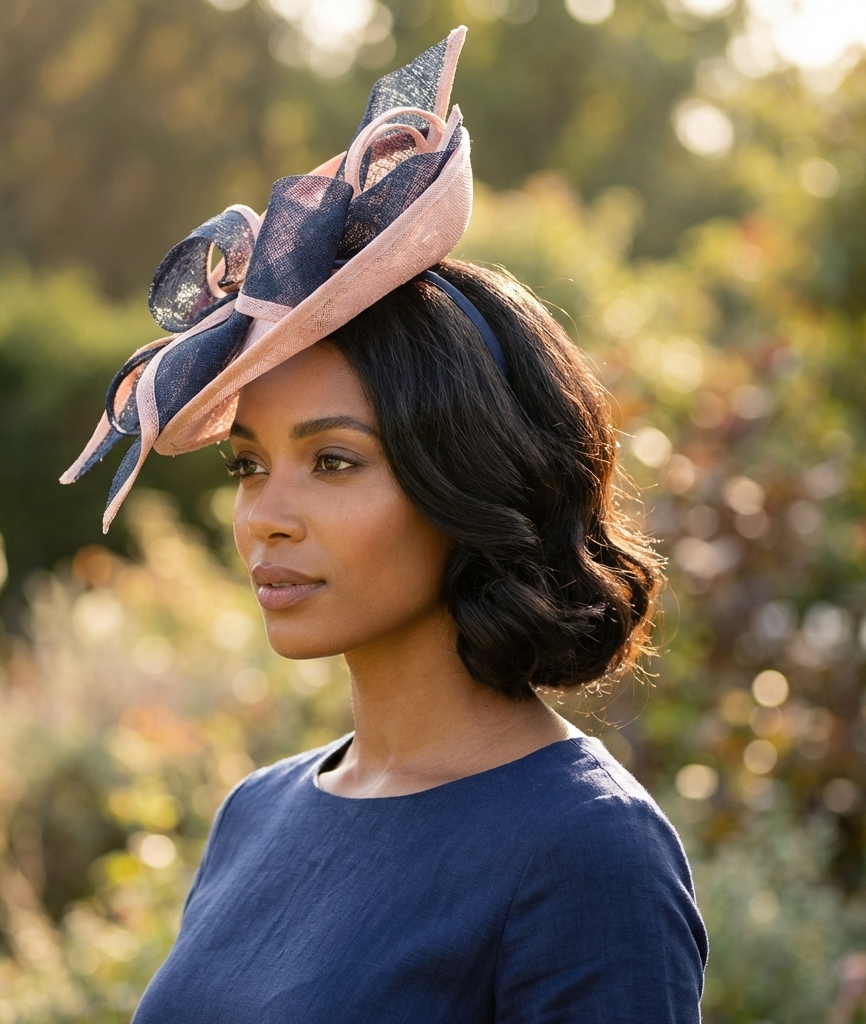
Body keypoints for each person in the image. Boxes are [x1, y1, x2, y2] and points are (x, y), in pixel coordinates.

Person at [63, 27, 707, 1022]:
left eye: (333, 461)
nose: (265, 518)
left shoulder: (585, 850)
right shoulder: (256, 813)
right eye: (248, 466)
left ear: (466, 474)